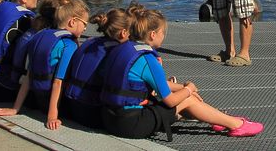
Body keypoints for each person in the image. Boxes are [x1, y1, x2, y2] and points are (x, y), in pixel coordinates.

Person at [100, 7, 263, 139]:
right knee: (188, 100)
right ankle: (236, 125)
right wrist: (188, 89)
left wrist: (181, 87)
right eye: (163, 33)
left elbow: (154, 84)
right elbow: (170, 101)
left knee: (186, 98)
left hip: (109, 116)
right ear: (153, 34)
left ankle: (221, 119)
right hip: (130, 124)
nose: (164, 37)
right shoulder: (148, 60)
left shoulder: (124, 49)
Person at [0, 0, 90, 129]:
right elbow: (58, 82)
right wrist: (52, 116)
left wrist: (15, 108)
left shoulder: (41, 35)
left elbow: (29, 76)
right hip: (57, 105)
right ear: (72, 22)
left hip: (39, 99)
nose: (85, 28)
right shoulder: (68, 45)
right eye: (84, 24)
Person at [61, 6, 135, 129]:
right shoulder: (117, 51)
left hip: (73, 106)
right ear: (123, 32)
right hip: (94, 113)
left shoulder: (90, 42)